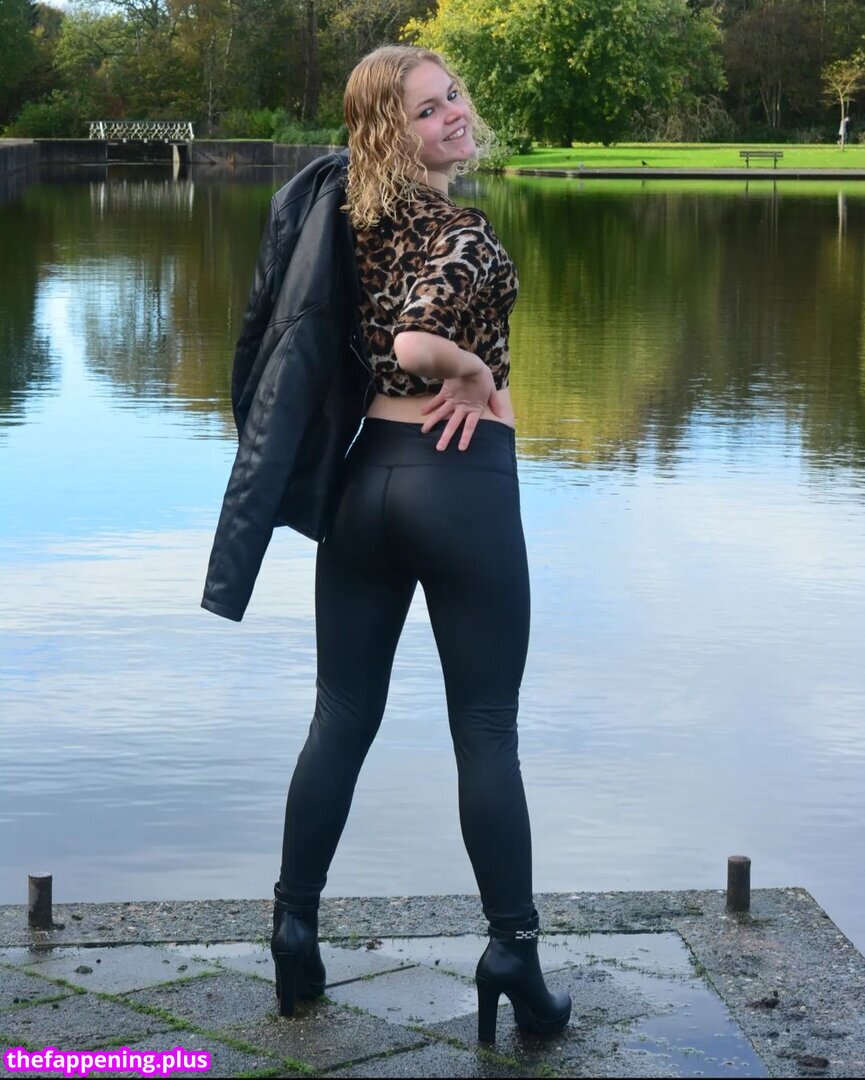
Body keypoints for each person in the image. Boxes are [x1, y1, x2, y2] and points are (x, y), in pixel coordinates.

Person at [268, 45, 572, 1044]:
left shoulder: (345, 224)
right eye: (426, 109)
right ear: (389, 134)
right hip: (458, 484)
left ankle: (294, 927)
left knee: (340, 715)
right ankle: (513, 953)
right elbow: (411, 345)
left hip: (367, 486)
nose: (452, 115)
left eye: (452, 98)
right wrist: (472, 373)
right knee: (485, 727)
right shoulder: (461, 234)